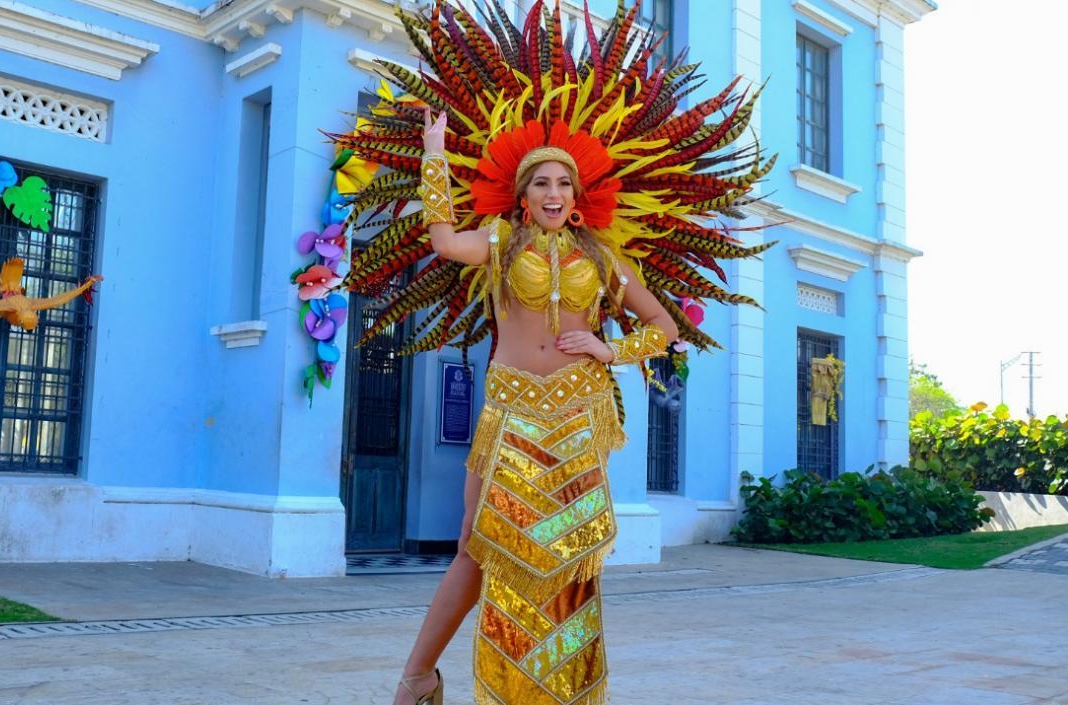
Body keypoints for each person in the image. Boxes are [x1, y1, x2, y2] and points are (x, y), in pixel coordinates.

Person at [330, 3, 774, 702]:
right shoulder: (501, 241)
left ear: (578, 194)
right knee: (479, 551)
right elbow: (444, 241)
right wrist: (437, 154)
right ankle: (420, 675)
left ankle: (560, 689)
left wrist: (608, 345)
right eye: (542, 182)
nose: (554, 193)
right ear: (522, 193)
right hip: (509, 410)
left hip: (575, 413)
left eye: (564, 184)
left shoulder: (605, 255)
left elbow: (666, 328)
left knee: (569, 561)